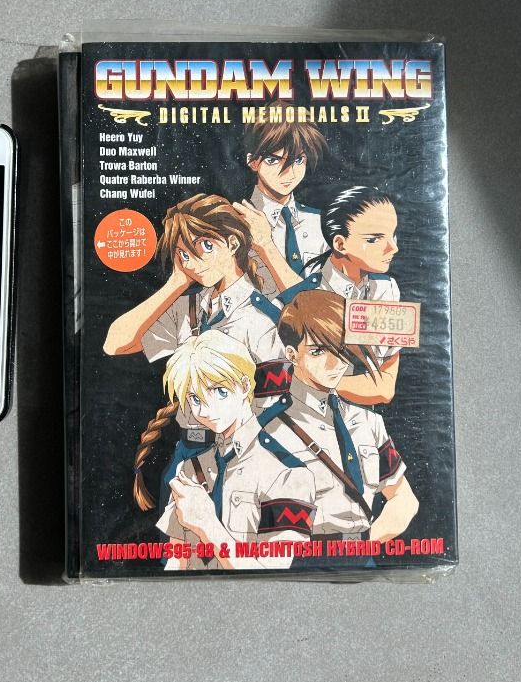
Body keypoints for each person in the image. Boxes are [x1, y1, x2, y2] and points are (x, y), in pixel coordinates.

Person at [258, 289, 418, 548]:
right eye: (318, 351)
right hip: (300, 558)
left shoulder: (368, 422)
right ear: (291, 354)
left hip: (362, 554)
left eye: (341, 348)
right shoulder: (269, 430)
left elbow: (405, 499)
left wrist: (365, 544)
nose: (335, 363)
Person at [149, 331, 315, 569]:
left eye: (220, 391)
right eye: (195, 398)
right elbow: (176, 563)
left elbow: (271, 577)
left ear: (245, 385)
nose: (205, 410)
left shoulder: (288, 474)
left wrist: (208, 525)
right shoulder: (191, 467)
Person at [103, 193, 284, 373]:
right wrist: (176, 283)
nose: (190, 263)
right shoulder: (187, 307)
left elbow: (277, 384)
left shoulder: (261, 313)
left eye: (206, 246)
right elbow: (115, 344)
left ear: (233, 244)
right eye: (183, 254)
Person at [306, 186, 402, 404]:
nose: (393, 247)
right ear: (340, 244)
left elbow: (385, 388)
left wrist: (323, 382)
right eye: (375, 239)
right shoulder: (307, 293)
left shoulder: (386, 290)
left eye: (393, 234)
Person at [232, 121, 328, 297]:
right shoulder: (234, 223)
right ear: (252, 161)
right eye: (273, 160)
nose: (289, 173)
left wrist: (266, 245)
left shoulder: (320, 222)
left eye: (298, 160)